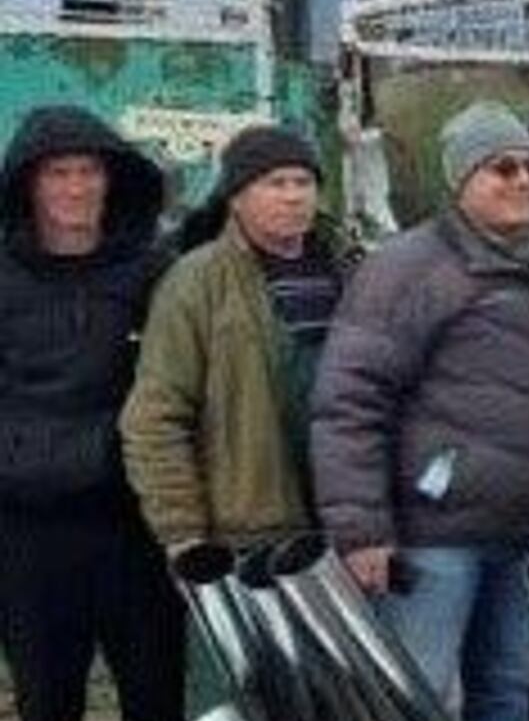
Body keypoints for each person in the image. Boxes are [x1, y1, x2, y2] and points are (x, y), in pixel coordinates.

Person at [310, 103, 529, 721]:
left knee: (507, 690)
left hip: (528, 531)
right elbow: (349, 401)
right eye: (500, 167)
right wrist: (362, 530)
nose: (521, 180)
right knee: (418, 698)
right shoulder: (408, 268)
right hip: (437, 534)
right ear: (460, 181)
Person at [2, 107, 178, 721]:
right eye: (58, 174)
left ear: (113, 182)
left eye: (89, 172)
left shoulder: (150, 272)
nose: (76, 188)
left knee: (152, 688)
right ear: (30, 187)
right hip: (27, 520)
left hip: (128, 514)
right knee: (49, 695)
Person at [122, 125, 355, 621]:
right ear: (236, 197)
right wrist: (183, 532)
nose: (292, 197)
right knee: (249, 688)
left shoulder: (350, 270)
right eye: (274, 183)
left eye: (303, 182)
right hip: (248, 536)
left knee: (337, 692)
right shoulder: (196, 281)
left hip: (342, 528)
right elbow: (156, 417)